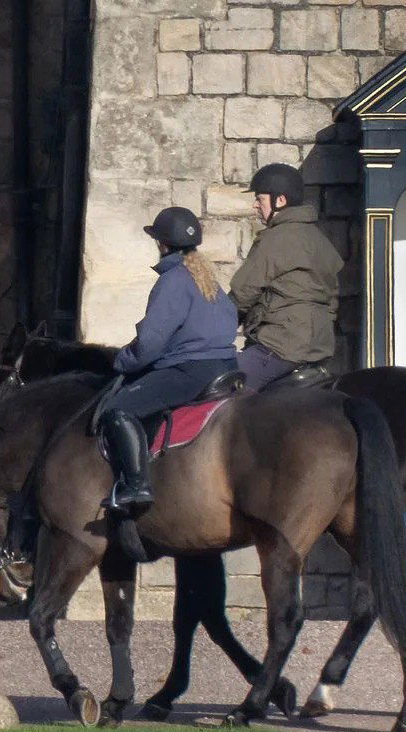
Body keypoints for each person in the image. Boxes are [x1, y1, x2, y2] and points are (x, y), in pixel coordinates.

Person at [99, 206, 239, 514]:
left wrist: (122, 361)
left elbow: (150, 342)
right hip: (226, 365)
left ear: (162, 245)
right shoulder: (207, 279)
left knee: (118, 408)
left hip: (191, 370)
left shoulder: (172, 281)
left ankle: (137, 486)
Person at [229, 163, 344, 391]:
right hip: (319, 349)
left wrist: (214, 328)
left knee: (221, 385)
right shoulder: (321, 240)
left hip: (279, 347)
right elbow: (332, 300)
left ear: (279, 200)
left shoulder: (275, 239)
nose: (255, 205)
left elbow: (243, 294)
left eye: (260, 199)